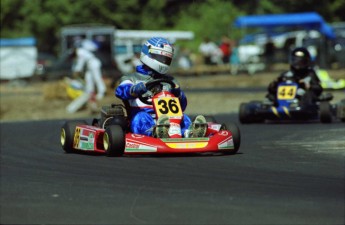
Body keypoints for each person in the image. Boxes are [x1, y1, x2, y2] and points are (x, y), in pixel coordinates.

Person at [115, 37, 207, 138]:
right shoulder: (131, 78)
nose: (163, 61)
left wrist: (178, 94)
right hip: (146, 116)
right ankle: (155, 133)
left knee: (184, 118)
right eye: (161, 58)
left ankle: (189, 133)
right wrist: (135, 89)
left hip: (171, 119)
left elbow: (183, 106)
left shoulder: (170, 81)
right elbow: (120, 92)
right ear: (148, 54)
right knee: (140, 118)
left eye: (166, 59)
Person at [66, 40, 106, 113]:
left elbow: (80, 65)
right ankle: (90, 93)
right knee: (88, 80)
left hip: (94, 63)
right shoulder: (78, 53)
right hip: (89, 66)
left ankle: (101, 92)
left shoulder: (80, 52)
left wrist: (76, 73)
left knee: (97, 78)